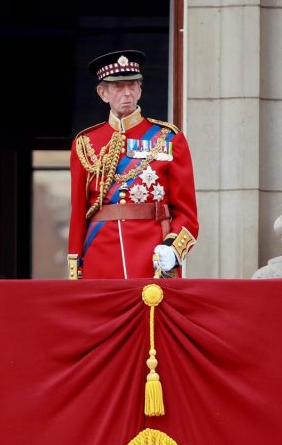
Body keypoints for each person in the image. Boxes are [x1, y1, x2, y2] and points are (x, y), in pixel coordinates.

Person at [67, 50, 198, 279]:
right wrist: (76, 266)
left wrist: (173, 249)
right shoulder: (85, 143)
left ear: (140, 90)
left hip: (151, 255)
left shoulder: (168, 138)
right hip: (100, 257)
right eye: (118, 87)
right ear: (103, 93)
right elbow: (78, 214)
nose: (127, 93)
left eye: (132, 86)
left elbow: (187, 213)